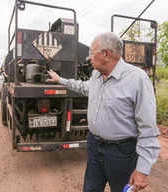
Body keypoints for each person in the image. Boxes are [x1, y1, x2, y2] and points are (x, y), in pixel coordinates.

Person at [46, 32, 160, 192]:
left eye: (92, 53)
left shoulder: (137, 79)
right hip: (94, 145)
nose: (89, 58)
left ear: (107, 54)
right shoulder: (96, 75)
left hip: (121, 153)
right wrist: (61, 80)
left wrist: (143, 169)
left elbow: (148, 128)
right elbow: (83, 87)